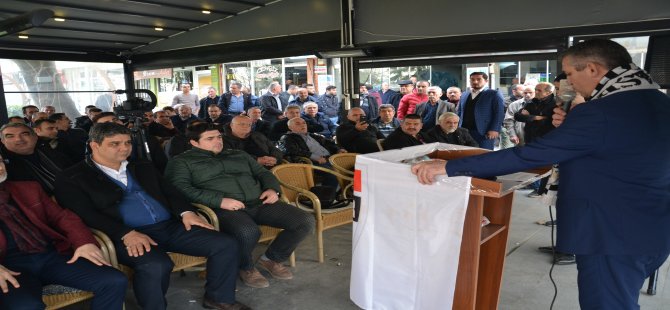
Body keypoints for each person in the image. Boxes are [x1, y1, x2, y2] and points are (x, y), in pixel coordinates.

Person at [412, 39, 670, 309]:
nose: (568, 83)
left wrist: (448, 166)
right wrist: (572, 126)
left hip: (610, 234)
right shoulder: (655, 100)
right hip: (650, 226)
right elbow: (617, 150)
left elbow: (530, 154)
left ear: (593, 69)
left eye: (570, 74)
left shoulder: (601, 112)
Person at [54, 122, 247, 310]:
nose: (124, 148)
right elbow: (83, 214)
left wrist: (187, 212)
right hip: (124, 233)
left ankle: (219, 298)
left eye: (127, 143)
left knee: (225, 244)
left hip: (169, 226)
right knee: (155, 265)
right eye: (115, 144)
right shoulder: (73, 177)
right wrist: (125, 233)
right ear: (94, 145)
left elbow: (171, 192)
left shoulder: (141, 166)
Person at [165, 122, 315, 289]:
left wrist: (272, 189)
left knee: (304, 220)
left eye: (219, 137)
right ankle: (245, 267)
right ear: (194, 143)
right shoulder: (181, 162)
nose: (218, 141)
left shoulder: (238, 154)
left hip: (259, 201)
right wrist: (219, 200)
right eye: (210, 138)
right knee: (248, 232)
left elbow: (262, 173)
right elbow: (180, 189)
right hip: (221, 209)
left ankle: (272, 259)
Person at [0, 155, 127, 309]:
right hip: (8, 267)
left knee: (113, 280)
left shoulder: (28, 188)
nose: (0, 167)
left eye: (0, 161)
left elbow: (62, 217)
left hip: (51, 256)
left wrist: (84, 242)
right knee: (26, 306)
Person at [0, 123, 73, 195]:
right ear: (3, 141)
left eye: (24, 134)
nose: (18, 139)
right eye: (10, 136)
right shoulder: (4, 166)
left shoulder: (51, 150)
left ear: (35, 136)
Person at [457, 72, 505, 150]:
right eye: (472, 79)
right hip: (464, 131)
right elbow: (459, 112)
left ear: (486, 81)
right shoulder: (464, 94)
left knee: (484, 155)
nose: (475, 82)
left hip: (484, 131)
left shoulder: (493, 94)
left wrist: (495, 129)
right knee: (465, 155)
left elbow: (499, 113)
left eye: (479, 79)